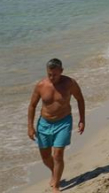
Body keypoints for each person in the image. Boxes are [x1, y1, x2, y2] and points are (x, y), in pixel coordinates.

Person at [27, 58, 85, 192]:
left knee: (58, 154)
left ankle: (56, 185)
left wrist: (82, 120)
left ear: (61, 71)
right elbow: (32, 106)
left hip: (64, 121)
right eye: (49, 74)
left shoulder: (70, 83)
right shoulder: (41, 85)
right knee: (46, 157)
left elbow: (80, 99)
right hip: (44, 124)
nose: (52, 77)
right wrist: (30, 127)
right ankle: (55, 171)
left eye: (55, 74)